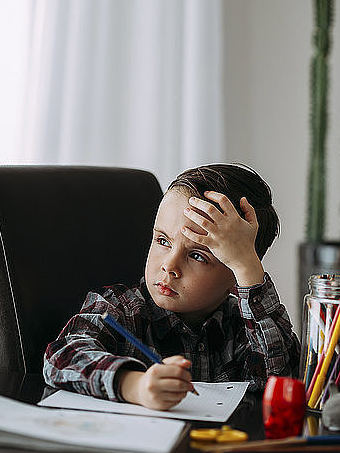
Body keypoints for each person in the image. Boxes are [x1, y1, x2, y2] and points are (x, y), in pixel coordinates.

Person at [44, 163, 300, 410]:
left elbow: (284, 380)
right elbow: (62, 357)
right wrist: (134, 385)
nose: (169, 265)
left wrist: (248, 268)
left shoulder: (244, 325)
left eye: (197, 255)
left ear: (234, 273)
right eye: (163, 240)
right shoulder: (119, 308)